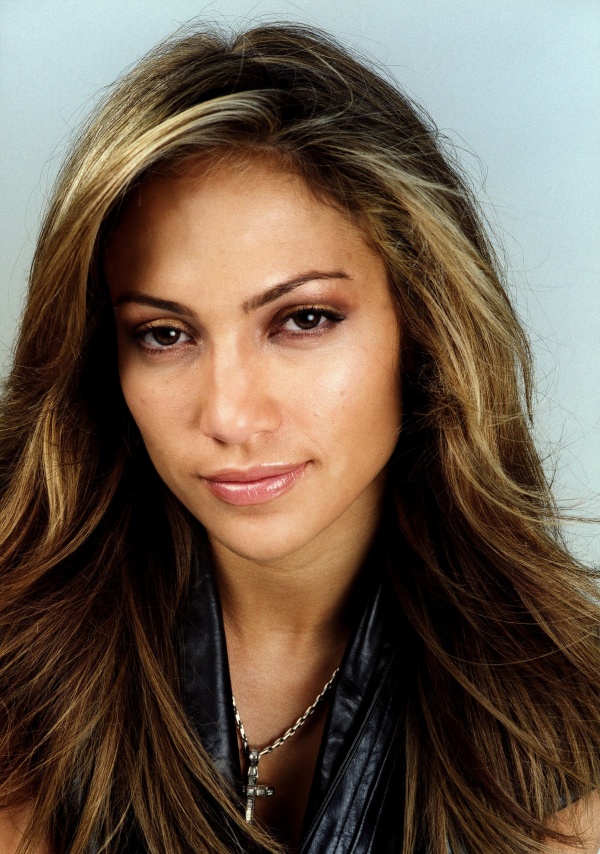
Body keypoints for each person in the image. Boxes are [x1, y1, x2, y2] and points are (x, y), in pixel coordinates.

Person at [0, 22, 599, 854]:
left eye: (304, 319)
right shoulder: (20, 681)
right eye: (165, 335)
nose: (230, 416)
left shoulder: (566, 727)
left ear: (424, 327)